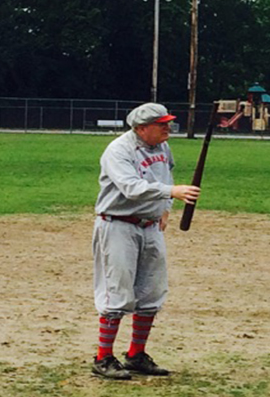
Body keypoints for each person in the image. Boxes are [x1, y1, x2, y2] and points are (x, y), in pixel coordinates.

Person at [91, 103, 201, 380]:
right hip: (118, 224)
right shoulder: (119, 150)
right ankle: (103, 357)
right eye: (161, 123)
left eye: (168, 122)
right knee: (117, 291)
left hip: (150, 226)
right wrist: (171, 192)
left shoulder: (162, 148)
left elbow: (167, 175)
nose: (168, 127)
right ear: (141, 128)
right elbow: (130, 187)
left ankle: (136, 354)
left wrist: (166, 209)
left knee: (151, 292)